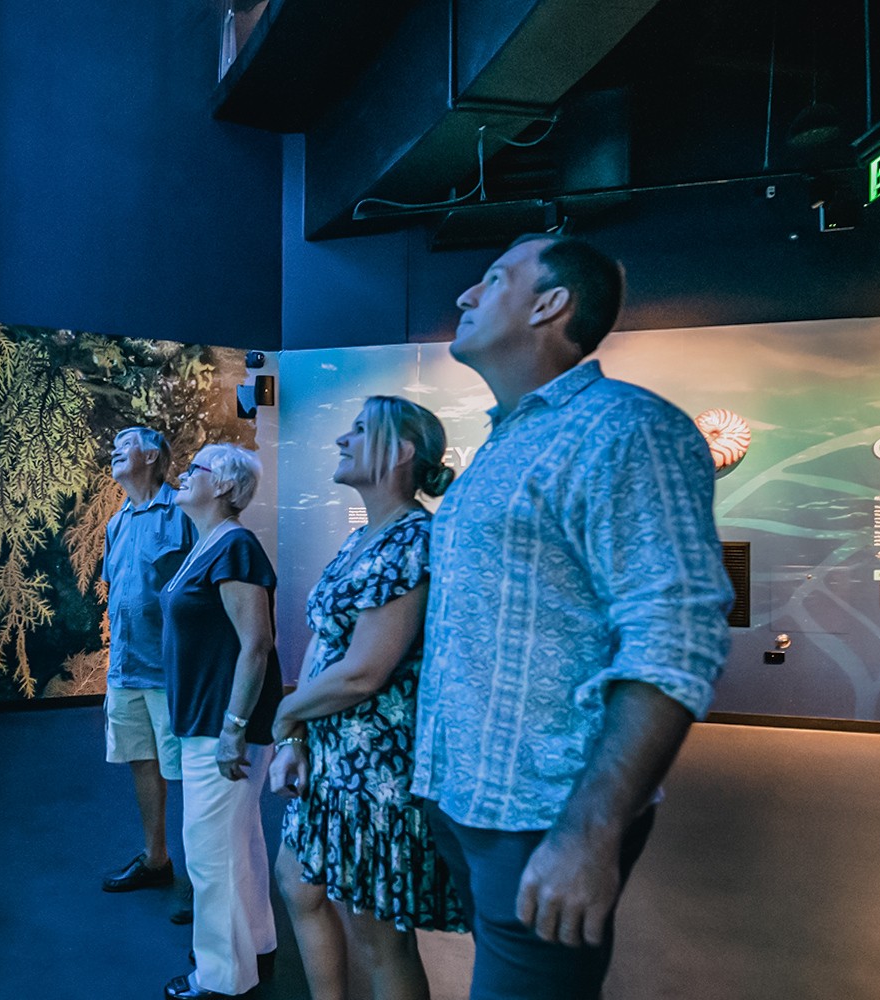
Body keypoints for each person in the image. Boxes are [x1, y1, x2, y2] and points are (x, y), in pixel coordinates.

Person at [411, 235, 733, 1000]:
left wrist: (591, 831)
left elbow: (675, 639)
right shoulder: (507, 438)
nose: (464, 296)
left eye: (491, 280)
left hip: (543, 813)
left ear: (550, 305)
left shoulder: (626, 428)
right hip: (469, 800)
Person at [269, 397, 466, 1000]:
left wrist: (285, 713)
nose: (341, 440)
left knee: (379, 936)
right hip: (332, 754)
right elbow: (326, 645)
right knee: (298, 883)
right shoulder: (364, 540)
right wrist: (298, 736)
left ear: (402, 452)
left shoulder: (413, 540)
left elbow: (364, 671)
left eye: (359, 431)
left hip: (377, 770)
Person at [158, 443, 283, 1000]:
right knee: (238, 841)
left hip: (222, 721)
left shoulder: (234, 547)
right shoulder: (209, 544)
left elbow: (257, 645)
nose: (183, 475)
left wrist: (234, 727)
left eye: (195, 470)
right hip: (207, 717)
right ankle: (255, 944)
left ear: (225, 488)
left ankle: (221, 978)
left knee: (209, 853)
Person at [99, 428, 196, 911]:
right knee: (143, 763)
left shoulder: (184, 513)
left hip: (171, 674)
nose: (114, 448)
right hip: (125, 673)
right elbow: (119, 593)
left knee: (193, 776)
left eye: (126, 442)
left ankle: (206, 882)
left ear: (152, 455)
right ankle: (156, 860)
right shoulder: (116, 523)